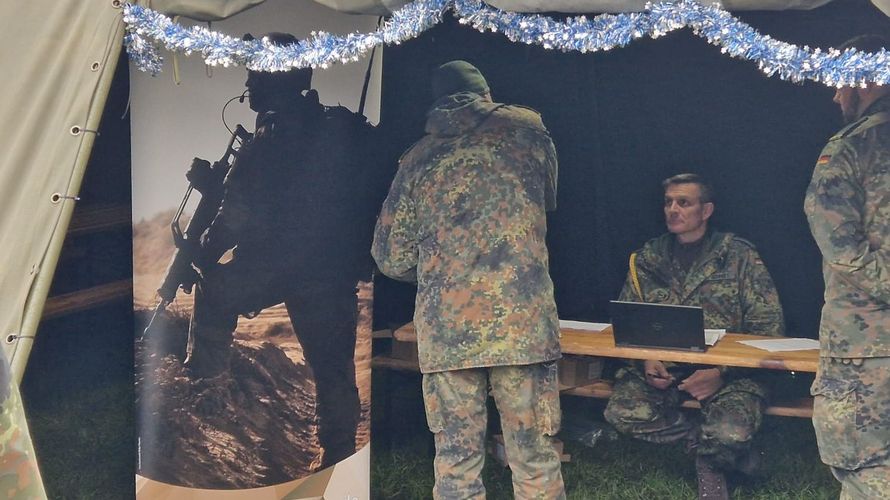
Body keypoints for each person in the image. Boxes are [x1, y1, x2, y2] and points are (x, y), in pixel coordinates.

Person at [184, 32, 385, 468]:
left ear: (277, 78)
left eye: (256, 73)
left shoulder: (270, 138)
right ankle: (338, 459)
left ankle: (204, 401)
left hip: (274, 266)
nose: (249, 82)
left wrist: (200, 252)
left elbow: (235, 219)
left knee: (214, 292)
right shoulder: (344, 127)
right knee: (332, 370)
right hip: (331, 270)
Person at [372, 60, 565, 499]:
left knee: (455, 462)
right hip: (522, 327)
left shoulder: (417, 159)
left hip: (448, 332)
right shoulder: (528, 131)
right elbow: (546, 196)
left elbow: (390, 256)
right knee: (534, 454)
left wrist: (442, 275)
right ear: (486, 93)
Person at [604, 173, 785, 499]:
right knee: (623, 413)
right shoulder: (648, 258)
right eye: (668, 202)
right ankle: (708, 452)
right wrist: (647, 360)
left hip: (731, 376)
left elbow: (769, 329)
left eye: (683, 202)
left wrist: (721, 372)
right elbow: (628, 322)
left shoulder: (738, 256)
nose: (673, 209)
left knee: (729, 433)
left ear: (706, 210)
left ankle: (717, 458)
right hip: (666, 370)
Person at [805, 34, 890, 499]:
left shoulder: (850, 148)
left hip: (865, 343)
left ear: (866, 78)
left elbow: (841, 247)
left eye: (841, 82)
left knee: (863, 465)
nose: (837, 95)